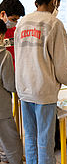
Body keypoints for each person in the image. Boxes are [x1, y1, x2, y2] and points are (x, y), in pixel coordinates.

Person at [14, 0, 67, 163]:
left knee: (30, 138)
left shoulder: (22, 23)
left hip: (24, 89)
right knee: (45, 141)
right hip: (43, 92)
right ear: (54, 1)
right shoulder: (54, 24)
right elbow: (62, 71)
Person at [0, 19, 23, 164]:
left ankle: (3, 159)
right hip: (1, 108)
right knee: (12, 142)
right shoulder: (4, 54)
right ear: (2, 35)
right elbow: (9, 84)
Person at [0, 0, 25, 67]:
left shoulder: (15, 31)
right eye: (13, 19)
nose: (15, 23)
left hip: (13, 72)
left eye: (17, 20)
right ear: (2, 14)